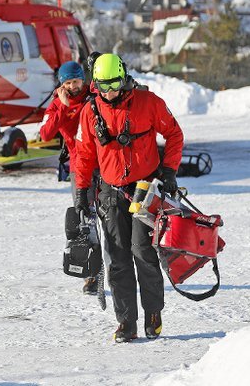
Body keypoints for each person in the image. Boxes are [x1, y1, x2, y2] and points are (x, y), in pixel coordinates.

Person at [74, 53, 183, 343]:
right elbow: (83, 156)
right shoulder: (90, 111)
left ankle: (153, 312)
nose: (109, 93)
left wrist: (169, 171)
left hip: (145, 189)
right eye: (103, 88)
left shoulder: (148, 103)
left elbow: (174, 134)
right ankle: (126, 322)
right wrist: (81, 194)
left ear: (124, 79)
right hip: (110, 193)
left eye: (115, 86)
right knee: (118, 259)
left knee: (143, 252)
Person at [39, 60, 100, 294]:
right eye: (68, 83)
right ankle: (92, 273)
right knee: (85, 219)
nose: (74, 86)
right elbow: (45, 134)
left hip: (104, 164)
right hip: (79, 166)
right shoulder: (56, 105)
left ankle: (118, 266)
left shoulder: (93, 94)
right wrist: (63, 108)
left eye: (76, 81)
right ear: (61, 84)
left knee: (114, 218)